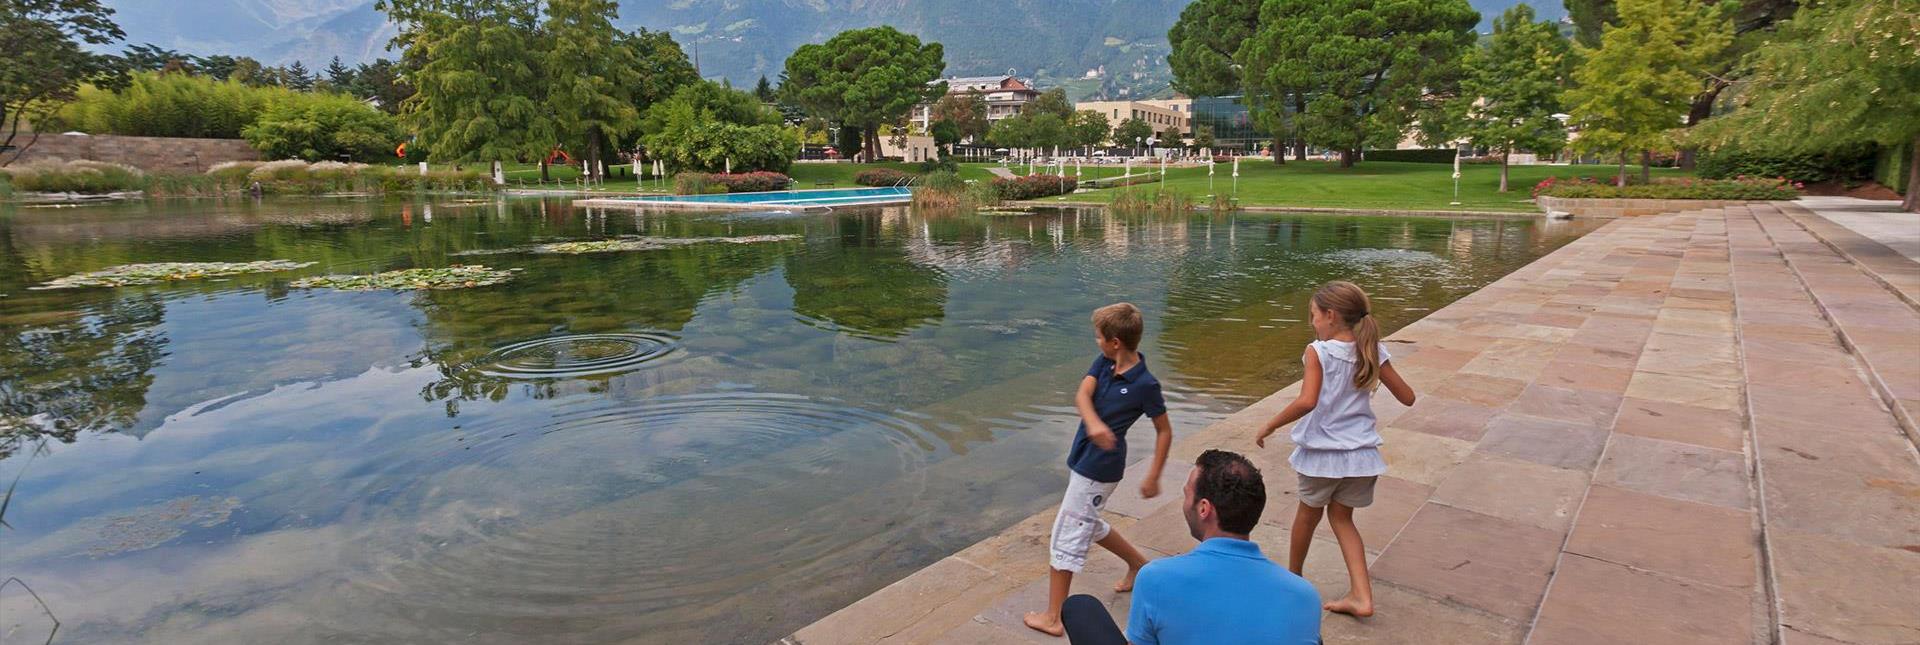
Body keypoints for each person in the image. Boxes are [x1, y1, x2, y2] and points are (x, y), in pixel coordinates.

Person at [1255, 280, 1417, 618]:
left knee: (1306, 517)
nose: (1312, 323)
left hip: (1323, 456)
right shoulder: (1371, 348)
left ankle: (1292, 582)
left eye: (1313, 316)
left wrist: (1271, 424)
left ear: (1330, 315)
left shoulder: (1319, 351)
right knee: (1343, 519)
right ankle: (1362, 595)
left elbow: (1307, 401)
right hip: (1362, 457)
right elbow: (1408, 396)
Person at [1060, 449, 1322, 645]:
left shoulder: (1156, 578)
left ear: (1204, 508)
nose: (1184, 503)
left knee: (1080, 607)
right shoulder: (1305, 596)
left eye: (1186, 494)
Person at [1024, 303, 1176, 638]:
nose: (1096, 341)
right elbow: (1082, 394)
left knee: (1066, 534)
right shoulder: (1106, 362)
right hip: (1084, 456)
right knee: (1087, 522)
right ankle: (1138, 564)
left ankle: (1053, 617)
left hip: (1100, 467)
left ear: (1116, 342)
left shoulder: (1145, 385)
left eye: (1099, 337)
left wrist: (1154, 474)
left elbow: (1164, 430)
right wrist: (1093, 423)